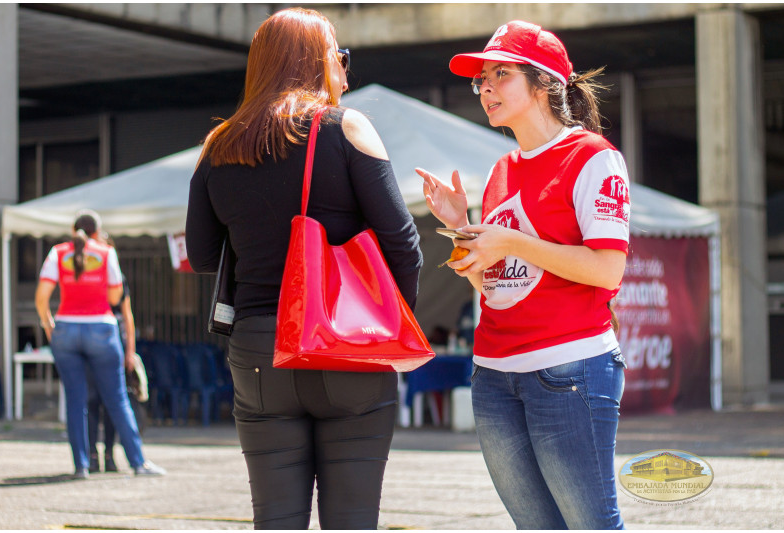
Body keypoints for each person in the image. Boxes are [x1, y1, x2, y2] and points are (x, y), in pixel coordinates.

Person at [185, 7, 422, 530]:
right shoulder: (347, 127)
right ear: (317, 60)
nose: (344, 67)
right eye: (338, 54)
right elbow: (403, 243)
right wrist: (392, 329)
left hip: (258, 349)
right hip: (346, 348)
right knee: (353, 519)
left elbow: (203, 256)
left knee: (275, 519)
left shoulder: (217, 145)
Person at [416, 20, 629, 530]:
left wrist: (510, 241)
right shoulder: (499, 171)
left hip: (569, 371)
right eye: (481, 78)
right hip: (493, 374)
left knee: (591, 523)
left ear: (545, 83)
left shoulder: (593, 158)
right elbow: (494, 288)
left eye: (500, 74)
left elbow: (608, 270)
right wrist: (463, 231)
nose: (485, 87)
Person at [35, 209, 165, 479]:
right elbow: (116, 294)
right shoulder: (106, 253)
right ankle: (138, 463)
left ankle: (81, 466)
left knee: (75, 400)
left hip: (66, 329)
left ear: (73, 231)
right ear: (97, 232)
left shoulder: (58, 253)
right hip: (101, 330)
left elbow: (41, 297)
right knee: (117, 398)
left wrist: (50, 328)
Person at [86, 233, 142, 473]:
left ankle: (109, 454)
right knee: (91, 401)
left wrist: (130, 351)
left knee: (113, 402)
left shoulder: (119, 279)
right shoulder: (86, 278)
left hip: (114, 342)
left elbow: (127, 315)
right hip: (91, 343)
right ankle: (91, 455)